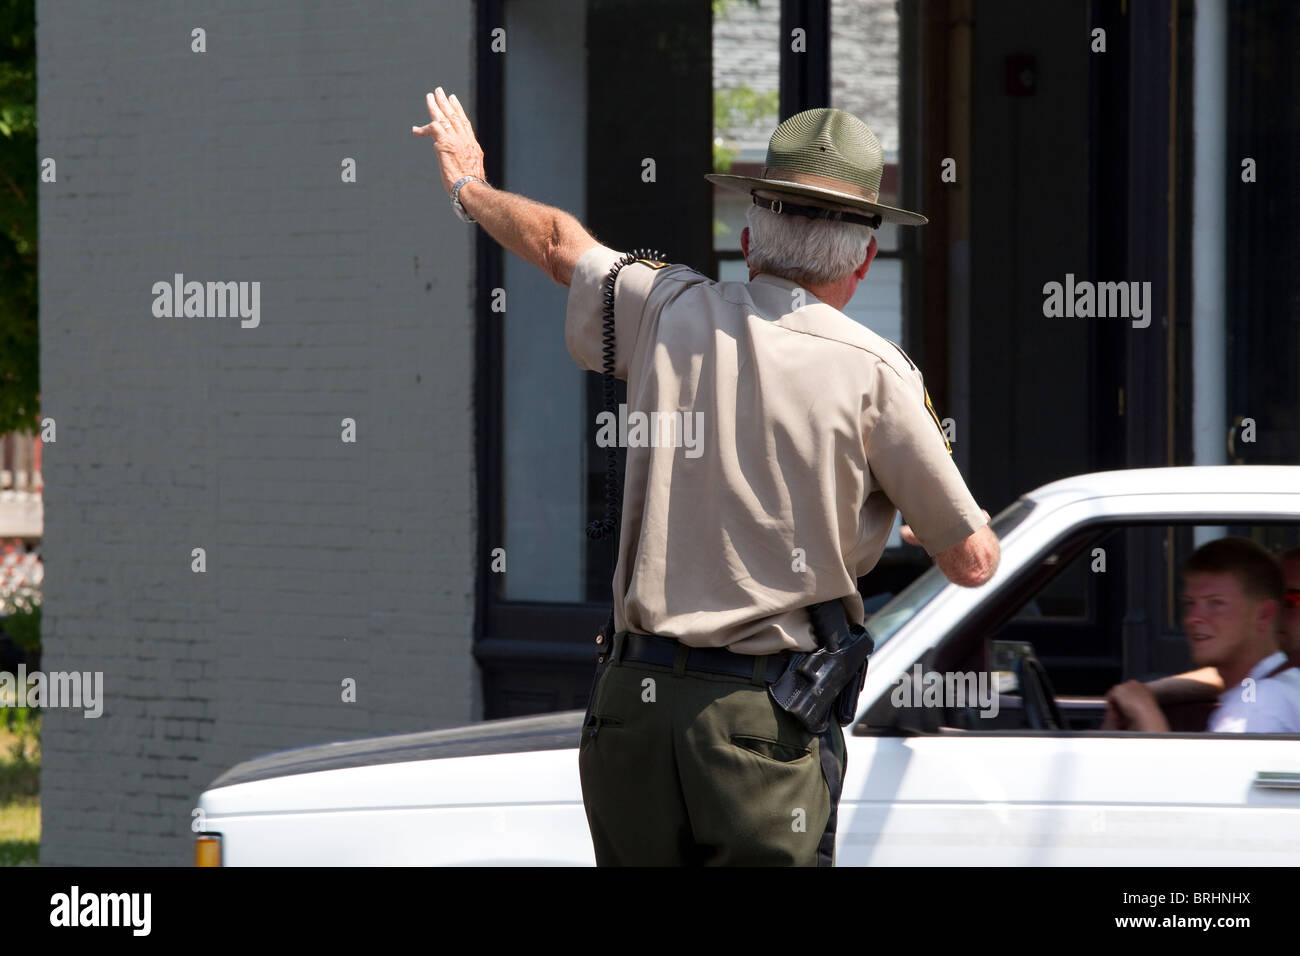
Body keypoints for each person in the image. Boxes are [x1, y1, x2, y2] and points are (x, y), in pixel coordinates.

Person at [413, 91, 999, 865]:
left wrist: (468, 187)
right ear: (864, 258)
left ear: (751, 235)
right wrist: (925, 522)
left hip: (631, 712)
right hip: (761, 725)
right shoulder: (878, 375)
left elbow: (557, 243)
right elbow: (973, 562)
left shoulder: (665, 305)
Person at [1105, 537, 1300, 733]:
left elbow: (1208, 766)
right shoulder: (1281, 683)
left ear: (1263, 615)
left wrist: (1144, 711)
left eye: (1216, 603)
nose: (1192, 618)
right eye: (1190, 603)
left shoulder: (1256, 708)